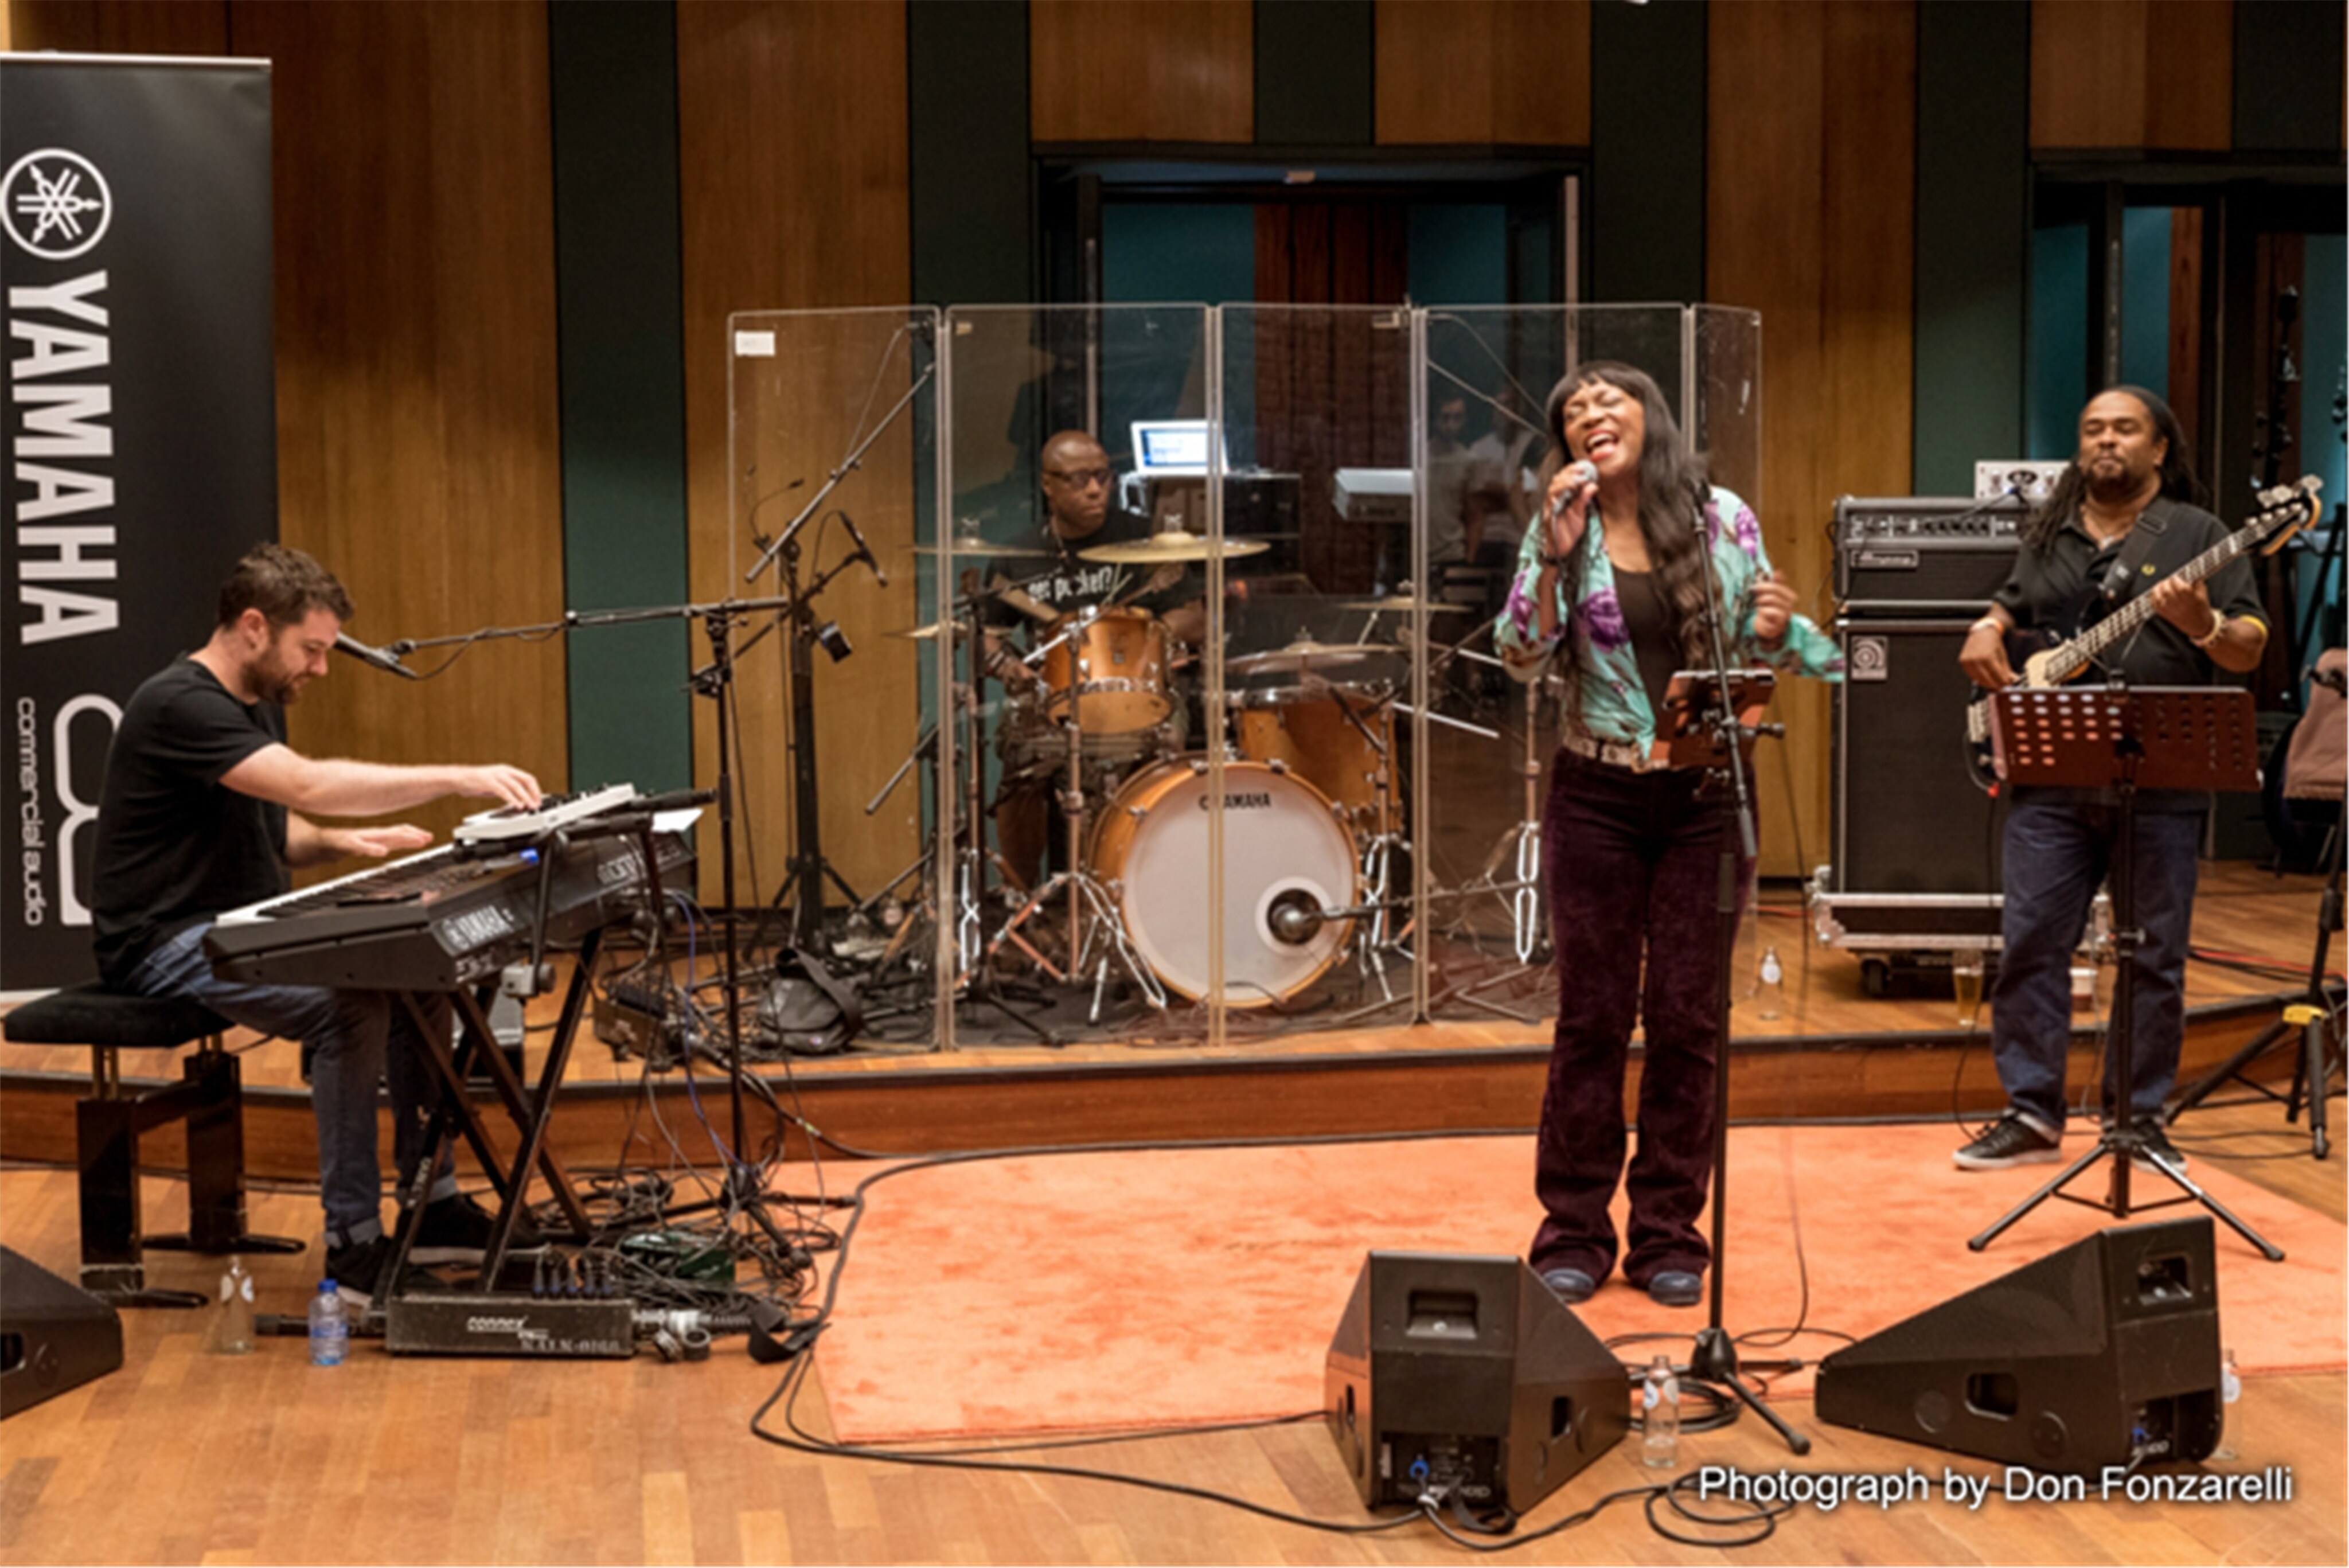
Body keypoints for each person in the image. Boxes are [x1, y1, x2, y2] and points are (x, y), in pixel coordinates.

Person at [91, 543, 545, 1305]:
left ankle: (432, 1205)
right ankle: (354, 1241)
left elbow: (280, 832)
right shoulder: (178, 704)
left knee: (419, 977)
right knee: (348, 1006)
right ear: (254, 627)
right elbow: (304, 784)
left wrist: (342, 843)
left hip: (239, 921)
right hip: (159, 940)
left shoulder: (255, 702)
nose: (322, 668)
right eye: (312, 648)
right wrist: (457, 777)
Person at [1493, 362, 1840, 1309]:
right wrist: (1553, 554)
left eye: (1609, 400)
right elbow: (1518, 653)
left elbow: (1786, 655)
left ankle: (1668, 1234)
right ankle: (1573, 1230)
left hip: (1706, 793)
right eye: (1573, 410)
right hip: (1596, 792)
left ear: (1652, 419)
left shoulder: (1720, 518)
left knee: (1688, 1019)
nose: (1590, 414)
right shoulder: (1558, 527)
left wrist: (1778, 629)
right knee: (1593, 1018)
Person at [1953, 386, 2266, 1173]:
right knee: (2031, 942)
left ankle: (2138, 1117)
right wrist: (1988, 626)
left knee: (2153, 953)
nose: (2105, 440)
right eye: (2093, 428)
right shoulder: (2052, 530)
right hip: (2052, 776)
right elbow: (2014, 600)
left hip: (2161, 779)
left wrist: (2203, 625)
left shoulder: (2200, 534)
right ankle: (2031, 1112)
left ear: (2159, 448)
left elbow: (2249, 645)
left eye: (2125, 429)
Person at [986, 429, 1204, 886]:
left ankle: (1153, 887)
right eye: (1079, 479)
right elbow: (987, 635)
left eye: (1103, 477)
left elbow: (1194, 616)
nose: (1095, 490)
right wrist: (1007, 666)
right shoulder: (1019, 556)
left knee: (1168, 747)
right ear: (1048, 485)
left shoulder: (1145, 541)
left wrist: (1152, 636)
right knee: (1017, 757)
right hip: (1052, 697)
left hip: (1142, 688)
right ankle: (1021, 897)